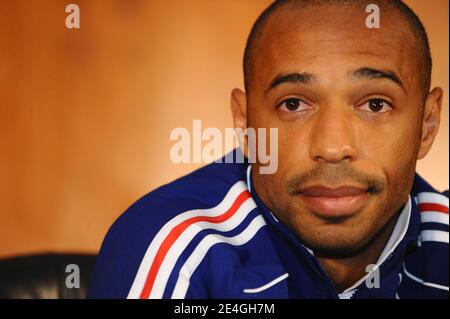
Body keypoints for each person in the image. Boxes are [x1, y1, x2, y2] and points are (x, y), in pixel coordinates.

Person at [88, 0, 448, 299]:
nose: (334, 147)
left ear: (427, 126)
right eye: (293, 104)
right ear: (245, 124)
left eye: (375, 105)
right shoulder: (173, 246)